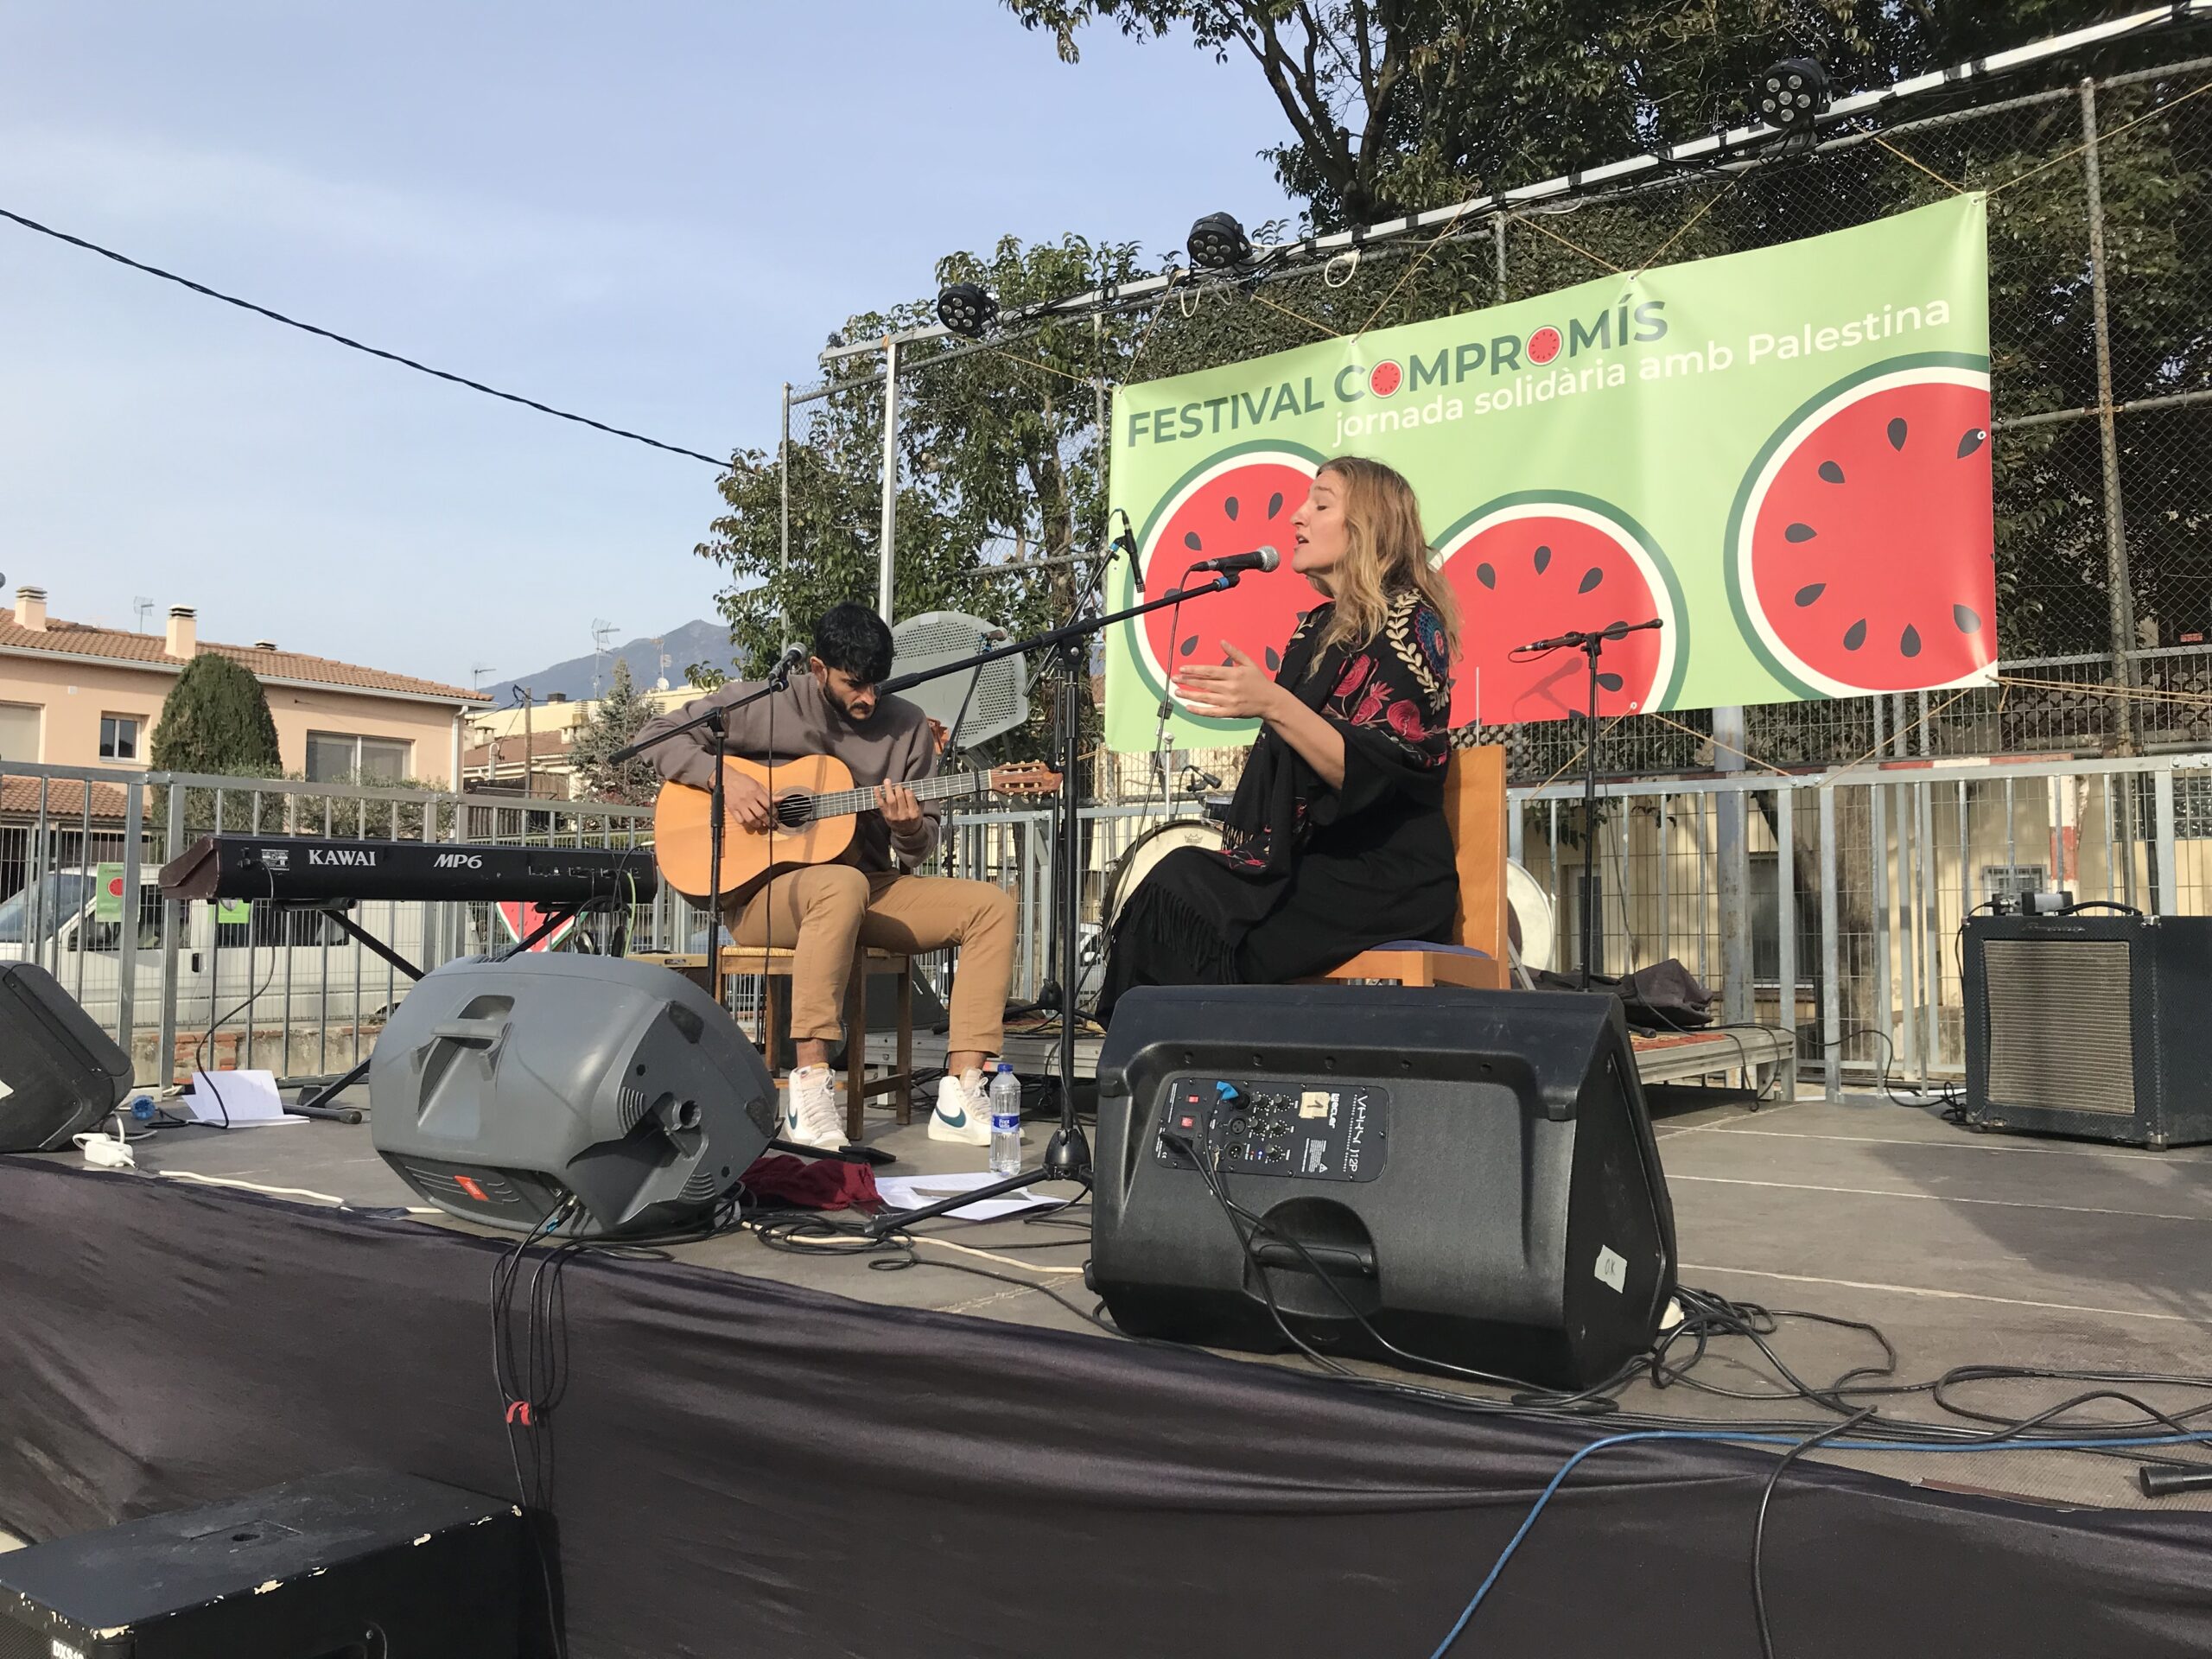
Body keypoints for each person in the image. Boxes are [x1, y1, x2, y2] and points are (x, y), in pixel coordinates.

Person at [634, 602, 1017, 1151]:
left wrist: (907, 827)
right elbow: (654, 735)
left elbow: (918, 848)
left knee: (991, 906)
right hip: (765, 896)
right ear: (818, 669)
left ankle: (962, 1091)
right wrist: (725, 780)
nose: (868, 698)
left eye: (876, 685)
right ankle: (811, 1085)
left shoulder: (907, 726)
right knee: (840, 885)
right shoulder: (766, 704)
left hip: (867, 886)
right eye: (854, 684)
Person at [1094, 455, 1460, 1018]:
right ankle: (1150, 1057)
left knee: (1196, 902)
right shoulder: (1314, 629)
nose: (1297, 516)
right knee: (1176, 879)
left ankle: (1190, 1058)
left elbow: (1373, 772)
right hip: (1318, 861)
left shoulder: (1411, 621)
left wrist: (1270, 702)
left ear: (1369, 525)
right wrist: (1269, 705)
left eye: (1321, 503)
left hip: (1386, 876)